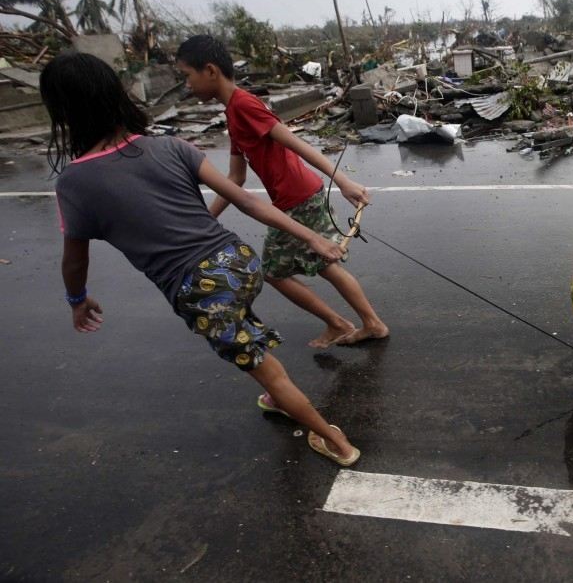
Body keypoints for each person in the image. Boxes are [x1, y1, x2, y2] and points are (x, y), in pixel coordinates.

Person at [44, 51, 359, 466]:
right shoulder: (172, 146)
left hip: (201, 290)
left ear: (64, 114)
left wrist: (77, 299)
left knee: (268, 370)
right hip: (240, 262)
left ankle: (335, 441)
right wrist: (313, 239)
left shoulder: (75, 182)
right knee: (239, 318)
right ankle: (281, 385)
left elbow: (74, 261)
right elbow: (246, 200)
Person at [175, 35, 388, 355]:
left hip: (298, 198)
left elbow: (293, 142)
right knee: (324, 264)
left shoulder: (244, 105)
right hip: (297, 196)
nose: (187, 84)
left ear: (210, 71)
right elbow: (235, 178)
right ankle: (368, 323)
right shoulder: (233, 113)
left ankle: (342, 323)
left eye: (187, 75)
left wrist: (343, 181)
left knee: (274, 272)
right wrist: (205, 219)